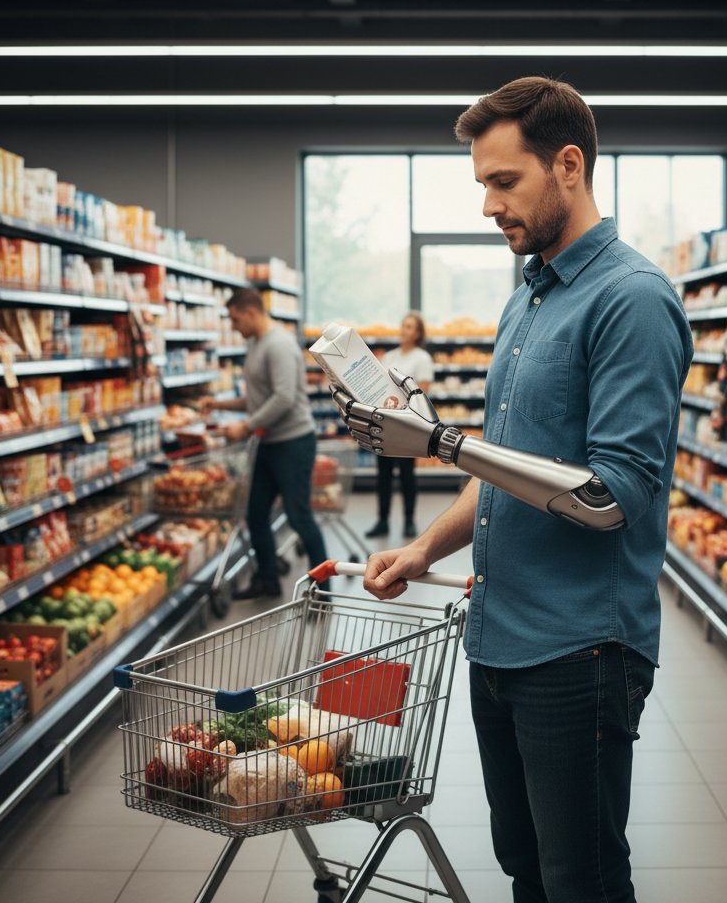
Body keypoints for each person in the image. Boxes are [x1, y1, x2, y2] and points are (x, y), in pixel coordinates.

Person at [332, 77, 692, 903]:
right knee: (524, 867)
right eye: (481, 185)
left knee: (582, 880)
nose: (489, 206)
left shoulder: (631, 300)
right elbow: (507, 463)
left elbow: (612, 497)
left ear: (569, 165)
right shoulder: (527, 296)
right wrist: (425, 547)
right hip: (498, 639)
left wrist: (440, 443)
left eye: (504, 182)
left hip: (580, 649)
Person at [200, 287, 329, 598]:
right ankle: (268, 580)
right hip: (268, 444)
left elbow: (283, 398)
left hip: (293, 443)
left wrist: (246, 427)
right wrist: (220, 406)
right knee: (256, 514)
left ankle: (324, 589)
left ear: (250, 312)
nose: (233, 326)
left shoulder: (279, 344)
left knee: (299, 517)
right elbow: (259, 398)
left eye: (234, 319)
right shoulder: (257, 344)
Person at [365, 312, 434, 540]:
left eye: (409, 327)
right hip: (384, 421)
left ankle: (409, 521)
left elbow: (422, 393)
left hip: (407, 425)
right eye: (403, 325)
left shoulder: (422, 358)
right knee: (383, 475)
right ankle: (382, 520)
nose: (404, 330)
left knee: (406, 475)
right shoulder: (389, 357)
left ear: (417, 333)